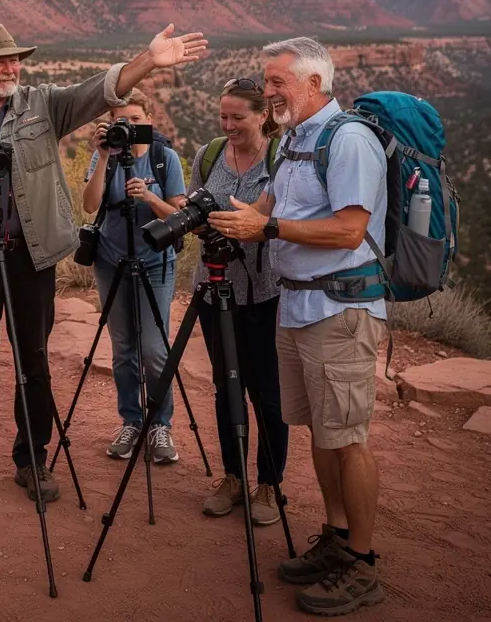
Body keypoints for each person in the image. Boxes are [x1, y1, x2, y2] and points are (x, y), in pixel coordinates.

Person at [0, 22, 207, 506]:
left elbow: (100, 90)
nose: (12, 68)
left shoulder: (43, 104)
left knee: (34, 361)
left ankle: (32, 459)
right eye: (1, 61)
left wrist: (148, 61)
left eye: (16, 60)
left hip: (32, 256)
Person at [210, 37, 387, 617]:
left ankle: (361, 564)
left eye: (277, 82)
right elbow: (267, 208)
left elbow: (347, 231)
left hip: (340, 310)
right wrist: (223, 218)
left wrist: (269, 231)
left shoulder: (349, 140)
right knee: (319, 430)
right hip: (298, 307)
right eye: (267, 82)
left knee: (347, 437)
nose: (268, 92)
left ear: (314, 83)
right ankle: (336, 541)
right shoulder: (293, 142)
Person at [189, 77, 288, 527]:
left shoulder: (281, 158)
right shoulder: (208, 156)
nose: (228, 125)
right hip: (213, 288)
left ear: (262, 114)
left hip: (265, 293)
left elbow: (288, 219)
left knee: (267, 393)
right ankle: (232, 477)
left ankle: (269, 484)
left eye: (238, 117)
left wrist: (257, 225)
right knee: (226, 386)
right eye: (223, 116)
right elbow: (191, 207)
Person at [82, 88, 187, 463]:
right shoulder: (106, 157)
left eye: (135, 120)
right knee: (123, 348)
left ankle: (160, 426)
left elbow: (177, 219)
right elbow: (90, 204)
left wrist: (148, 198)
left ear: (149, 119)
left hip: (155, 261)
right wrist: (102, 154)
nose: (128, 127)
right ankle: (131, 420)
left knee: (155, 350)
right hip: (111, 261)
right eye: (119, 122)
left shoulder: (164, 158)